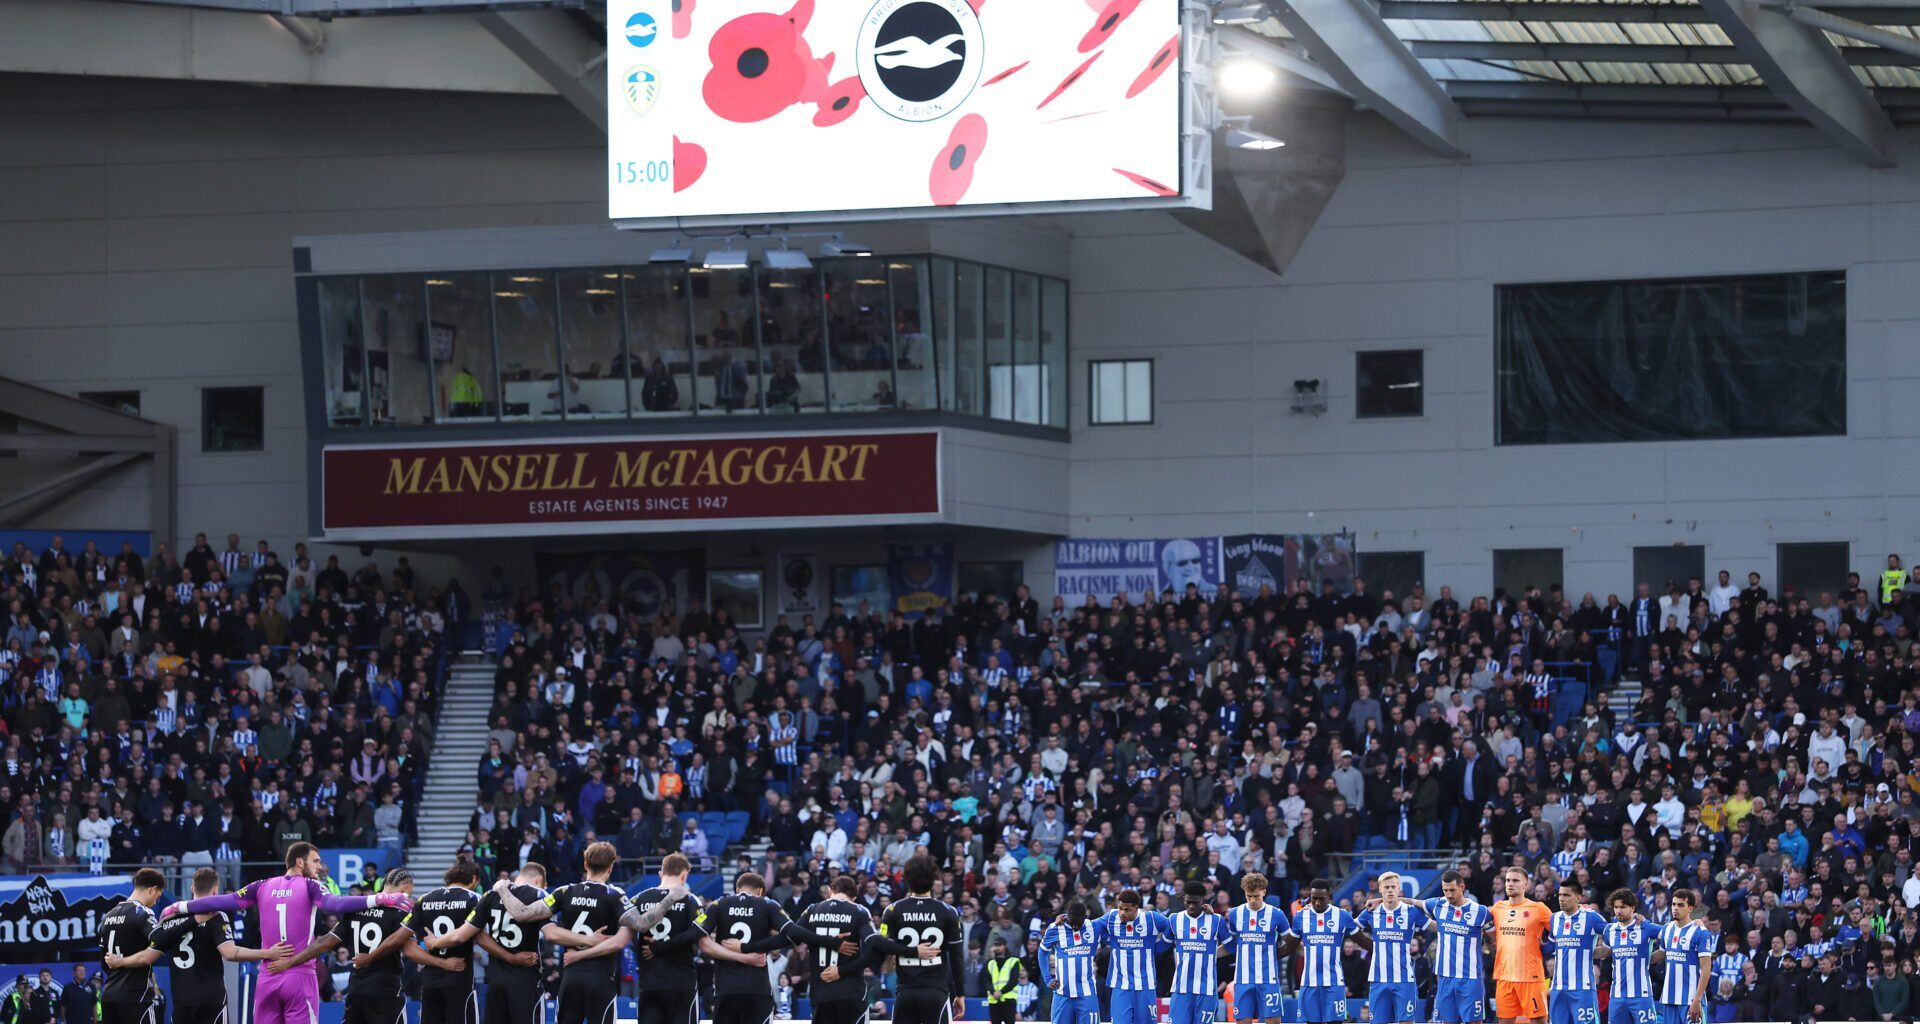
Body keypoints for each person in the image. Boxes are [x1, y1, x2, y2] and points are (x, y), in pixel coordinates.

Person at [172, 843, 412, 1024]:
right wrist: (380, 897)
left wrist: (180, 906)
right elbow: (335, 904)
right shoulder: (311, 885)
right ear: (300, 862)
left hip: (267, 976)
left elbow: (226, 901)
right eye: (316, 861)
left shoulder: (262, 885)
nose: (320, 866)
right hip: (298, 975)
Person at [494, 842, 691, 1024]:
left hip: (570, 977)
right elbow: (640, 924)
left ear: (585, 863)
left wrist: (503, 888)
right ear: (611, 867)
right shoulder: (615, 896)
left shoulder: (565, 892)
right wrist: (670, 898)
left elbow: (523, 913)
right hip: (601, 979)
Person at [103, 867, 290, 1024]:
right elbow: (229, 953)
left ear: (192, 887)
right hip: (211, 998)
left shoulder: (169, 917)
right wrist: (267, 953)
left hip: (182, 1000)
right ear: (215, 891)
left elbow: (148, 956)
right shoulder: (216, 915)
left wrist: (120, 962)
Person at [267, 869, 452, 1024]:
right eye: (410, 892)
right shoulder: (401, 911)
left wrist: (291, 961)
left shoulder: (359, 907)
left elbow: (324, 943)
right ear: (405, 888)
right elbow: (410, 950)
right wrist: (441, 962)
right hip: (386, 989)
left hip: (357, 988)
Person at [556, 854, 705, 1024]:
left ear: (660, 873)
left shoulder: (639, 899)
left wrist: (581, 953)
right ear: (684, 876)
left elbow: (621, 939)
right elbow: (701, 939)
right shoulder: (691, 900)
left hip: (649, 985)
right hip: (682, 984)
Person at [427, 863, 549, 1024]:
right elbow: (551, 933)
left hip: (496, 980)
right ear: (539, 880)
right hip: (526, 979)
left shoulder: (490, 895)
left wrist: (435, 942)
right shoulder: (539, 894)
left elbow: (464, 936)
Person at [865, 853, 965, 1024]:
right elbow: (957, 957)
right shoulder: (948, 911)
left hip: (906, 992)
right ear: (933, 880)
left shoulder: (893, 910)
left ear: (906, 879)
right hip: (936, 993)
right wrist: (960, 994)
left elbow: (880, 945)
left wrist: (909, 951)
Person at [404, 860, 482, 1024]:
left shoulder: (425, 899)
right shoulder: (474, 899)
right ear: (474, 878)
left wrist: (439, 961)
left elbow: (408, 947)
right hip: (460, 981)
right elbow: (482, 938)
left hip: (430, 982)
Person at [794, 875, 875, 1024]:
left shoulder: (812, 910)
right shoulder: (859, 911)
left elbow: (793, 937)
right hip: (851, 992)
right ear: (854, 897)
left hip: (821, 994)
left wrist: (823, 940)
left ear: (831, 890)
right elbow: (875, 950)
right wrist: (841, 970)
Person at [1089, 888, 1172, 1024]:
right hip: (1120, 985)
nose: (1122, 913)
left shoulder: (1151, 918)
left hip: (1145, 984)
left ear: (1136, 907)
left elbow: (1173, 927)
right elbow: (1091, 926)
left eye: (1127, 910)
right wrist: (1108, 940)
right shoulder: (1111, 917)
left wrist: (1157, 948)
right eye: (1120, 908)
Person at [97, 867, 167, 1024]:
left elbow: (105, 963)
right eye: (158, 896)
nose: (156, 901)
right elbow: (161, 939)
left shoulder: (108, 916)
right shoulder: (143, 912)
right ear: (152, 889)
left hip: (109, 994)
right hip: (136, 995)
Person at [1293, 878, 1369, 1024]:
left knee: (1335, 1022)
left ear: (1329, 896)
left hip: (1334, 982)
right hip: (1310, 982)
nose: (1317, 902)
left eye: (1321, 898)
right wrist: (1303, 949)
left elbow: (1360, 936)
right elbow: (1292, 943)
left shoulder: (1342, 915)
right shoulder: (1301, 916)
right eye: (1314, 898)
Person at [1424, 870, 1495, 1024]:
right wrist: (1380, 901)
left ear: (1462, 887)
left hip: (1470, 978)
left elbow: (1495, 938)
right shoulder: (1438, 904)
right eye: (1445, 890)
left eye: (1452, 890)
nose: (1448, 894)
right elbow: (1414, 902)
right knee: (1448, 1021)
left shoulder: (1480, 911)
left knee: (1474, 1021)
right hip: (1445, 976)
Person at [1223, 872, 1295, 1024]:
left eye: (1256, 896)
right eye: (1249, 896)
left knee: (1273, 1021)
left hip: (1268, 978)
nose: (1252, 900)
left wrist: (1277, 955)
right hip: (1243, 979)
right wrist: (1207, 954)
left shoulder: (1276, 914)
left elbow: (1291, 941)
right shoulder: (1235, 913)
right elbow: (1230, 945)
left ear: (1264, 891)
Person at [1359, 872, 1429, 1024]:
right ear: (1380, 889)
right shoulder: (1370, 912)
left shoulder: (1412, 912)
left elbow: (1434, 927)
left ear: (1399, 889)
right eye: (1386, 887)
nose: (1390, 890)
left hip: (1404, 980)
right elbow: (1348, 927)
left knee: (1406, 1022)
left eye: (1393, 887)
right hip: (1378, 980)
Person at [1491, 866, 1552, 1024]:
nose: (1510, 884)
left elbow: (1560, 930)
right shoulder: (1498, 908)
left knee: (1539, 1021)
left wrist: (1547, 945)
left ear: (1526, 884)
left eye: (1515, 880)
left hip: (1530, 977)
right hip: (1504, 977)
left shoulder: (1539, 908)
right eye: (1508, 880)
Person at [1547, 882, 1608, 1024]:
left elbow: (1615, 935)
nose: (1561, 898)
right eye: (1560, 895)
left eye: (1566, 895)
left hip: (1583, 989)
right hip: (1558, 988)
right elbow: (1551, 947)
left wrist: (1598, 952)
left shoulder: (1592, 917)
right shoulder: (1554, 918)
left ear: (1578, 898)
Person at [1166, 881, 1226, 1024]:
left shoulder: (1216, 920)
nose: (1191, 906)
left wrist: (1210, 954)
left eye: (1196, 903)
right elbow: (1162, 945)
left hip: (1206, 990)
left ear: (1203, 900)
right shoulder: (1174, 919)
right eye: (1188, 902)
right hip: (1181, 989)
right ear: (1183, 899)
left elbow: (1231, 946)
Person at [1655, 889, 1713, 1024]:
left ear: (1690, 908)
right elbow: (1662, 954)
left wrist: (1697, 1000)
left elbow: (1706, 969)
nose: (1675, 908)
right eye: (1674, 904)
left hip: (1691, 1000)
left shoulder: (1701, 932)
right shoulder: (1667, 929)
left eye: (1681, 905)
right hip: (1669, 998)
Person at [1038, 900, 1099, 1024]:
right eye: (1073, 923)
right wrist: (1047, 978)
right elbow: (1042, 952)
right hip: (1062, 994)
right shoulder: (1055, 928)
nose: (1075, 927)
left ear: (1086, 917)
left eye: (1079, 924)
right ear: (1067, 916)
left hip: (1087, 993)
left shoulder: (1094, 926)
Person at [1603, 891, 1656, 1024]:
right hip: (1617, 996)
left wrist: (1695, 922)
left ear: (1632, 908)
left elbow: (1672, 932)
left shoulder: (1646, 927)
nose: (1618, 911)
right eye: (1616, 907)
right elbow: (1605, 951)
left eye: (1623, 907)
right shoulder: (1610, 930)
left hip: (1641, 995)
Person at [985, 936, 1023, 1024]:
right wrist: (993, 992)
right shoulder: (991, 963)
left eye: (1000, 945)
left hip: (1008, 1001)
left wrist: (1000, 992)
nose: (997, 947)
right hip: (994, 1001)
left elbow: (1013, 981)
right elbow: (987, 981)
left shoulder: (1013, 961)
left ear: (1004, 946)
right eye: (996, 945)